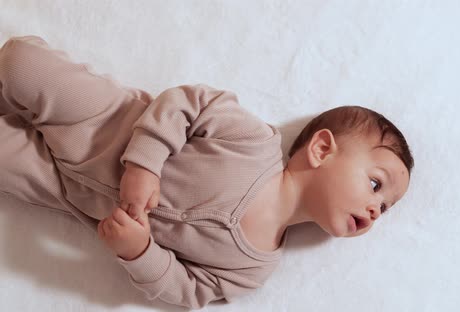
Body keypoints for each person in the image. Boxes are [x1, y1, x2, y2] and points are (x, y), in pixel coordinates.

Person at [0, 35, 414, 309]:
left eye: (385, 206)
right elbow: (187, 102)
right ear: (322, 149)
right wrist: (144, 164)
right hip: (105, 121)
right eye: (376, 184)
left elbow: (186, 290)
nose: (376, 208)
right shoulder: (254, 141)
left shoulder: (254, 268)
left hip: (66, 189)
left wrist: (139, 251)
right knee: (22, 61)